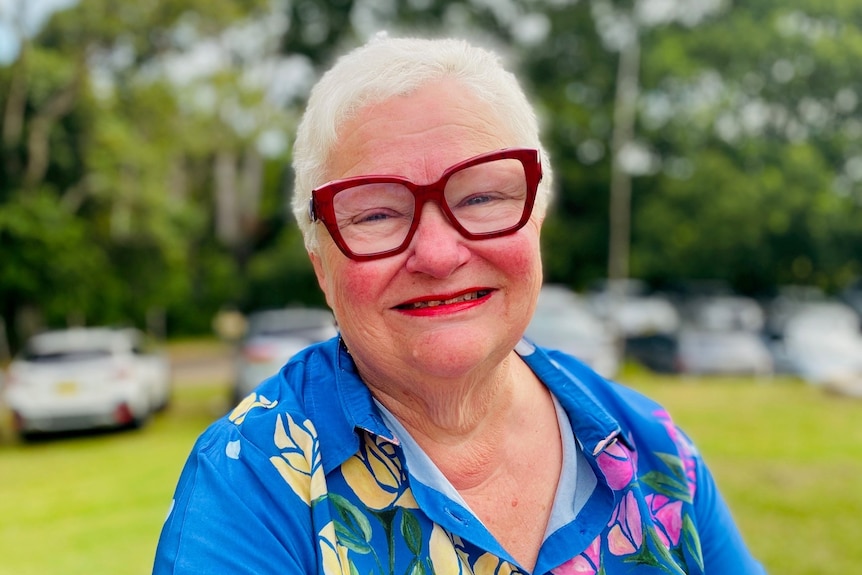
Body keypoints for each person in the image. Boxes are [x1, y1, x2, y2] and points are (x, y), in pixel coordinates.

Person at [153, 35, 766, 574]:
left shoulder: (650, 451)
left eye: (479, 198)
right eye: (375, 213)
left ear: (537, 220)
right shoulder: (251, 486)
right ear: (321, 265)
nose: (439, 255)